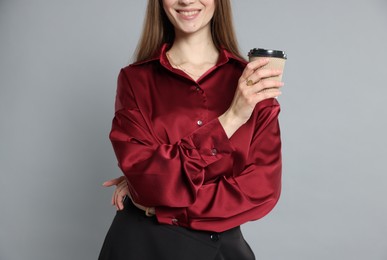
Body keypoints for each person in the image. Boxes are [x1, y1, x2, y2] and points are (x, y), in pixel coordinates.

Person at [98, 0, 284, 259]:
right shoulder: (135, 80)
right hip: (142, 247)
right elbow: (144, 177)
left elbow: (261, 190)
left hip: (221, 250)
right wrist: (231, 119)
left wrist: (160, 202)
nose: (186, 0)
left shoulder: (253, 82)